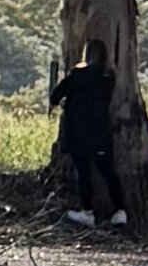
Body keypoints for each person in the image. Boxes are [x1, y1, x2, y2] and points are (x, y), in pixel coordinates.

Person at [46, 38, 128, 225]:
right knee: (108, 172)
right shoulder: (108, 79)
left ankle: (88, 212)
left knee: (84, 172)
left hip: (79, 133)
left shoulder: (78, 76)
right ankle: (120, 211)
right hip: (101, 131)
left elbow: (55, 96)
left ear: (87, 54)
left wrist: (68, 102)